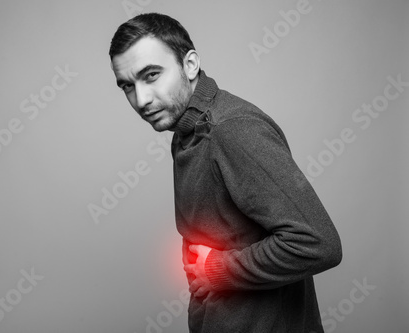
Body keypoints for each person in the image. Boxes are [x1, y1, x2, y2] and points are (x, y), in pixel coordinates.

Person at [109, 12, 342, 333]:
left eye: (151, 75)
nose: (141, 99)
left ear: (190, 65)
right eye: (127, 86)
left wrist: (216, 269)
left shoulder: (232, 130)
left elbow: (319, 244)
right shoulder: (184, 130)